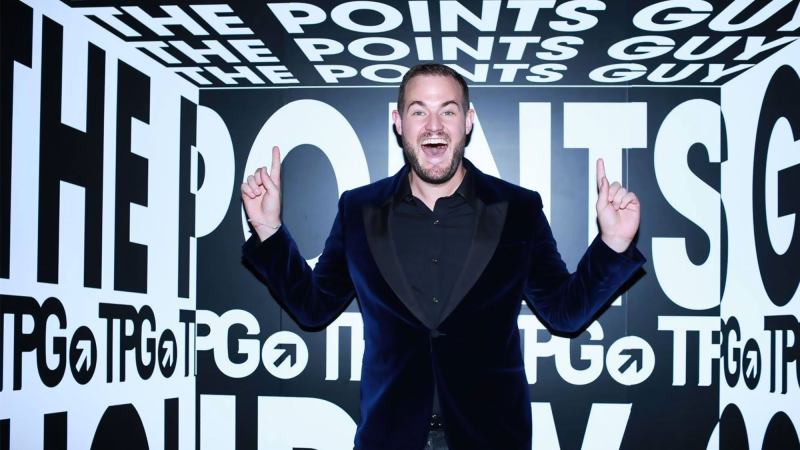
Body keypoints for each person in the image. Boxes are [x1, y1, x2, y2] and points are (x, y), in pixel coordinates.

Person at [241, 64, 645, 450]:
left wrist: (613, 244)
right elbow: (314, 307)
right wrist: (268, 230)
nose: (433, 126)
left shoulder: (517, 209)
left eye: (447, 111)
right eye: (419, 111)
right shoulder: (358, 209)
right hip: (388, 438)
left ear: (468, 121)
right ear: (398, 122)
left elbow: (564, 312)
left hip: (492, 438)